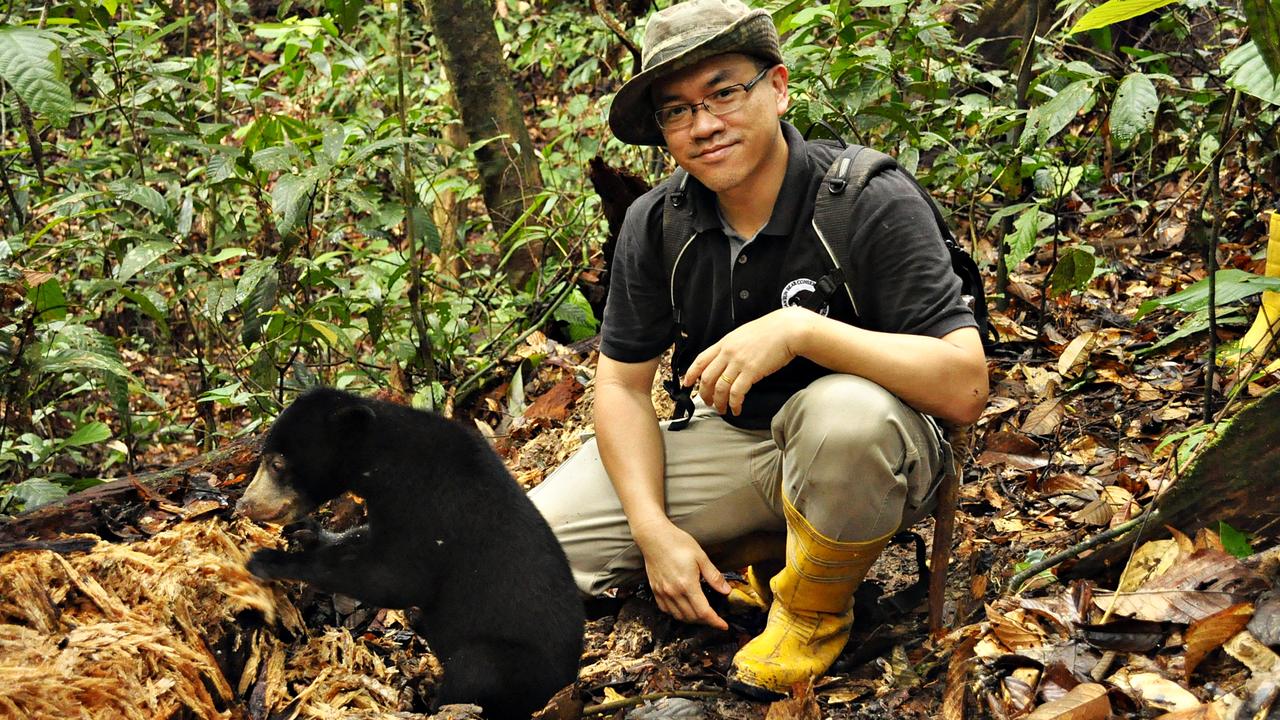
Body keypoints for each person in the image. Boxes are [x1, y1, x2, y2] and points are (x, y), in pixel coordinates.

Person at [529, 0, 989, 699]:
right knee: (528, 542)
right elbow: (622, 388)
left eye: (724, 92)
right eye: (677, 110)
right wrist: (654, 532)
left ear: (777, 87)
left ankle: (811, 611)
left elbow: (964, 387)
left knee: (846, 415)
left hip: (873, 448)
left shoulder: (866, 198)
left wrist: (801, 331)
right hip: (735, 437)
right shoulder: (659, 222)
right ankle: (758, 545)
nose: (704, 125)